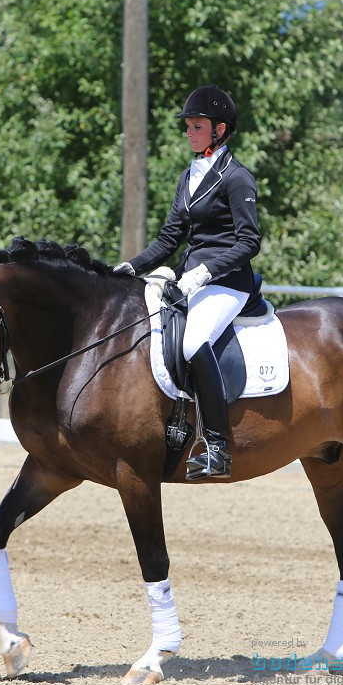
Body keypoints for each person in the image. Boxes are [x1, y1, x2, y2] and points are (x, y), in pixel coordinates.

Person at [114, 85, 260, 480]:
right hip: (189, 280)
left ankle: (217, 446)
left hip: (228, 282)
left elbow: (250, 242)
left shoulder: (237, 178)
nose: (188, 132)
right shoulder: (188, 176)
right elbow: (168, 240)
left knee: (194, 341)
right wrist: (130, 267)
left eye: (196, 126)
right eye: (188, 126)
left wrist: (205, 272)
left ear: (219, 130)